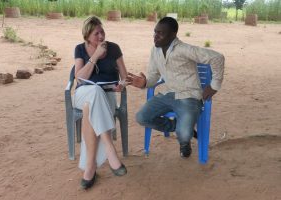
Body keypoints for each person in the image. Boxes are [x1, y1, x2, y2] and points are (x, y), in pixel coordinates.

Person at [127, 17, 225, 159]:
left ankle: (184, 137)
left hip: (189, 97)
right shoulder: (155, 50)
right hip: (167, 94)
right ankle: (178, 127)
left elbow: (217, 57)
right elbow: (153, 76)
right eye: (155, 32)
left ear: (173, 34)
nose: (155, 36)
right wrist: (144, 83)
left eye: (161, 33)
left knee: (184, 135)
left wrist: (214, 85)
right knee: (142, 117)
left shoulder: (184, 49)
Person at [73, 16, 127, 189]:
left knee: (90, 106)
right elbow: (80, 79)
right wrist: (95, 56)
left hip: (107, 96)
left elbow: (125, 76)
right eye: (96, 34)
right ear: (87, 35)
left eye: (102, 32)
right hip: (83, 93)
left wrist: (122, 85)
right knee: (93, 90)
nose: (101, 36)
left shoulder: (114, 48)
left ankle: (90, 168)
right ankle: (109, 147)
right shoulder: (80, 49)